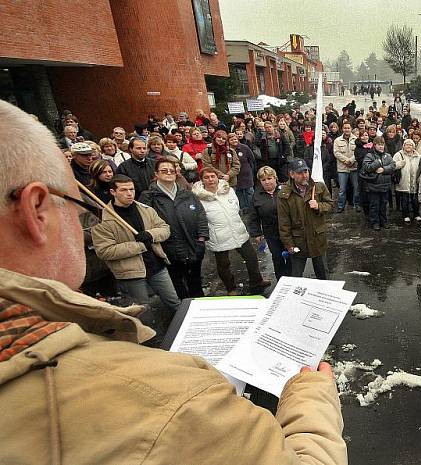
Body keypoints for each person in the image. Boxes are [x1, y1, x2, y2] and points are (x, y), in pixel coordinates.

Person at [0, 99, 347, 465]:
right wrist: (311, 394)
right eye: (76, 205)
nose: (82, 223)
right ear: (36, 211)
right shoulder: (169, 394)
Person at [91, 174, 181, 313]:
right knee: (142, 311)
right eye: (123, 190)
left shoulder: (146, 210)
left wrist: (150, 235)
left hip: (157, 266)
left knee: (174, 302)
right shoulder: (103, 220)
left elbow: (165, 229)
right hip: (130, 273)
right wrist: (139, 246)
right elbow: (104, 251)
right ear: (113, 192)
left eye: (131, 189)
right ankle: (149, 334)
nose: (129, 194)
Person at [139, 159, 209, 299]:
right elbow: (145, 223)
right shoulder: (148, 197)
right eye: (164, 170)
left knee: (195, 283)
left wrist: (201, 240)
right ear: (156, 174)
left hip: (193, 246)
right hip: (168, 250)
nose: (169, 173)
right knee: (178, 286)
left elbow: (201, 215)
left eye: (172, 170)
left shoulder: (187, 193)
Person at [193, 168, 269, 295]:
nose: (210, 179)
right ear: (202, 180)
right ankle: (231, 288)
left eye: (213, 176)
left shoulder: (229, 191)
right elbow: (199, 219)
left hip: (237, 230)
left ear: (218, 178)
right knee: (223, 264)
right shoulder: (198, 198)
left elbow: (236, 207)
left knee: (251, 257)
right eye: (206, 177)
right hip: (218, 235)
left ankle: (257, 281)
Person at [278, 159, 334, 279]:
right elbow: (284, 223)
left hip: (317, 238)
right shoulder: (284, 194)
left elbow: (331, 205)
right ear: (292, 174)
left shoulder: (319, 186)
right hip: (298, 241)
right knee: (296, 276)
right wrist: (289, 245)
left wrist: (319, 206)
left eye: (306, 171)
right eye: (300, 173)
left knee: (323, 274)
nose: (305, 176)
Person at [247, 166, 292, 282]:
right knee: (278, 258)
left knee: (292, 256)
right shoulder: (256, 196)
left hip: (288, 231)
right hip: (271, 233)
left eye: (269, 178)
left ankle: (294, 279)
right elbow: (253, 216)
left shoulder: (285, 190)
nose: (267, 182)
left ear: (275, 178)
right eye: (263, 180)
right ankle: (282, 281)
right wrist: (256, 233)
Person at [360, 136, 396, 230]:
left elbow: (393, 166)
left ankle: (384, 221)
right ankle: (375, 222)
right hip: (373, 185)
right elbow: (366, 167)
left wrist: (384, 169)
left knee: (384, 205)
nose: (381, 147)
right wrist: (378, 162)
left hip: (385, 185)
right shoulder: (369, 155)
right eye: (379, 145)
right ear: (374, 145)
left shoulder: (387, 156)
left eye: (382, 144)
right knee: (374, 205)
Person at [393, 138, 421, 223]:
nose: (408, 146)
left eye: (410, 145)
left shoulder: (418, 156)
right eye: (406, 144)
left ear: (413, 147)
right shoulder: (398, 155)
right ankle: (405, 215)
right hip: (403, 181)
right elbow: (392, 165)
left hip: (414, 181)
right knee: (404, 200)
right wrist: (399, 164)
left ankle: (416, 214)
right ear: (403, 146)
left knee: (415, 200)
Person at [333, 122, 359, 213]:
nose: (347, 129)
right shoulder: (337, 140)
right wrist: (346, 160)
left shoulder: (356, 139)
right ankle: (341, 206)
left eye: (348, 128)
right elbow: (336, 153)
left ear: (351, 129)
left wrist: (351, 160)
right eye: (345, 128)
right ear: (342, 129)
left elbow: (358, 152)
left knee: (356, 187)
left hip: (354, 167)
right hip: (342, 168)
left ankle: (357, 204)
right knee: (342, 189)